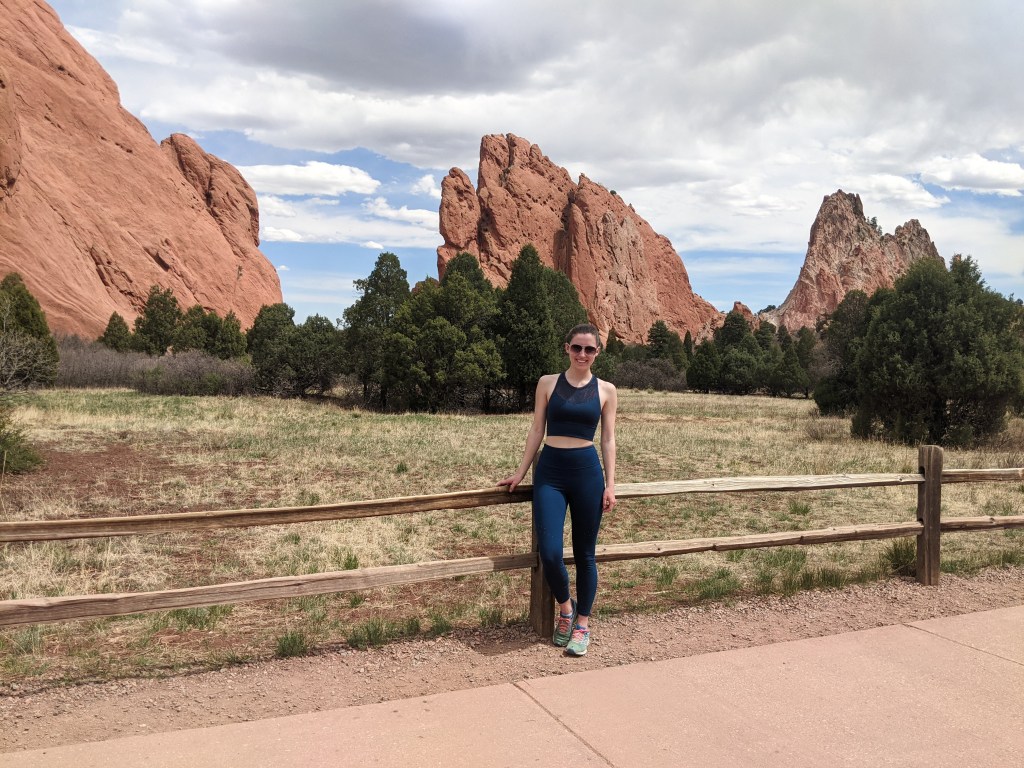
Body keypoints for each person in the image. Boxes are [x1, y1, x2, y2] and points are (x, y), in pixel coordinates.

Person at [499, 323, 617, 656]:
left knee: (585, 555)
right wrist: (521, 472)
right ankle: (565, 609)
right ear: (566, 348)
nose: (582, 354)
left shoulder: (606, 390)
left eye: (589, 349)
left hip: (587, 474)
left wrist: (610, 485)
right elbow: (537, 429)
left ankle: (582, 624)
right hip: (550, 471)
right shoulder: (547, 383)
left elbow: (608, 439)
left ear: (597, 353)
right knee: (550, 552)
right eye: (576, 347)